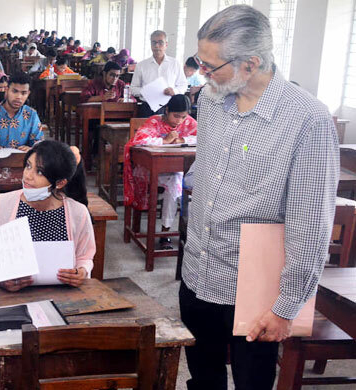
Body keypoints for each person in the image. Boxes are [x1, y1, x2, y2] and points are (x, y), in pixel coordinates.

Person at [182, 5, 338, 390]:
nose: (203, 74)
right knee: (203, 377)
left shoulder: (308, 120)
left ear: (250, 63)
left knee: (252, 381)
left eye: (211, 66)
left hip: (254, 290)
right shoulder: (212, 100)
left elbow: (310, 225)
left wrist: (286, 306)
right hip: (198, 272)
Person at [0, 140, 94, 290]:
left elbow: (84, 256)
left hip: (63, 295)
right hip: (12, 299)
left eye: (39, 172)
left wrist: (81, 271)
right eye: (28, 165)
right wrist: (0, 281)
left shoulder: (78, 212)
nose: (27, 176)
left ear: (60, 183)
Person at [123, 95, 196, 249]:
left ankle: (165, 232)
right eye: (176, 116)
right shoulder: (155, 121)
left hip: (173, 171)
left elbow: (202, 137)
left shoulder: (188, 122)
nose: (179, 121)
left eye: (183, 117)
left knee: (176, 180)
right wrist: (164, 141)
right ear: (167, 110)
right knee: (175, 181)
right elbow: (139, 139)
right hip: (148, 169)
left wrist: (183, 140)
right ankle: (165, 233)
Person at [0, 72, 43, 151]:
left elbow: (39, 144)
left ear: (28, 94)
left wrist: (31, 149)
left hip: (22, 162)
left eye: (23, 93)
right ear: (7, 90)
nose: (18, 97)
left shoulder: (31, 115)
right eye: (14, 91)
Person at [131, 31, 188, 116]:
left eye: (160, 42)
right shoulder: (141, 65)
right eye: (154, 42)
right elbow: (133, 88)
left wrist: (174, 91)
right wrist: (147, 91)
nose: (157, 46)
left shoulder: (175, 63)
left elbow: (183, 85)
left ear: (166, 44)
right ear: (150, 45)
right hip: (147, 108)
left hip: (170, 108)